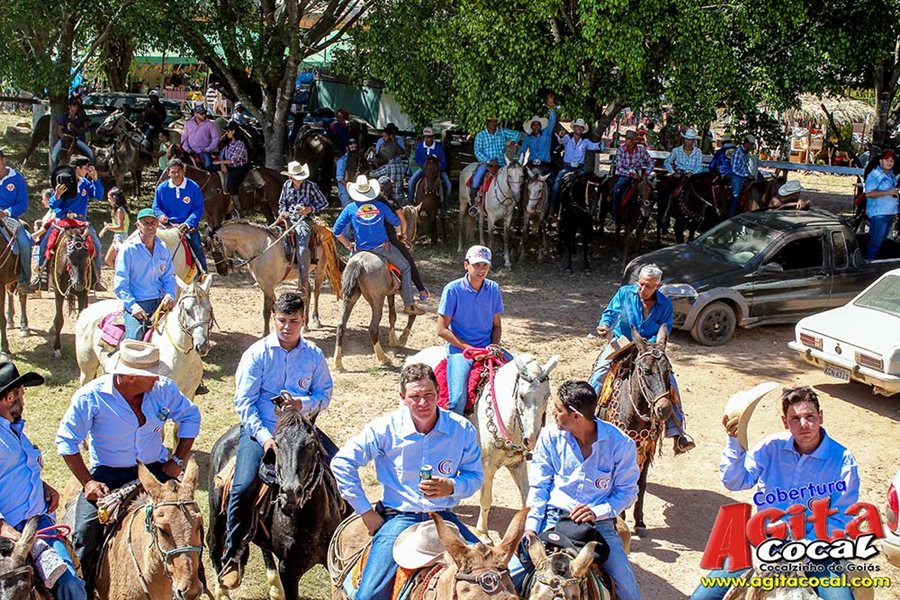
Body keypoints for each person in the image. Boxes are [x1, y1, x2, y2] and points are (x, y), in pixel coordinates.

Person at [56, 340, 200, 597]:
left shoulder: (163, 389)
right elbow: (67, 441)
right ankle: (86, 587)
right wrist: (88, 482)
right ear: (131, 376)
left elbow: (190, 416)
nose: (158, 379)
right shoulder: (92, 397)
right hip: (108, 474)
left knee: (186, 519)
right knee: (83, 532)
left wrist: (178, 460)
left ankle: (194, 578)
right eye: (152, 375)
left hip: (156, 470)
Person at [330, 362, 484, 600]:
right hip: (399, 517)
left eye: (429, 395)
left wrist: (452, 486)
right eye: (415, 396)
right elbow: (342, 462)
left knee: (504, 573)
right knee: (368, 596)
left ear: (439, 393)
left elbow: (475, 477)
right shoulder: (385, 428)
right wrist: (366, 513)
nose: (423, 403)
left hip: (444, 516)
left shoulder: (461, 429)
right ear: (402, 397)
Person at [690, 387, 859, 600]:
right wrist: (734, 441)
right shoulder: (771, 447)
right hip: (764, 542)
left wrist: (805, 548)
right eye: (795, 418)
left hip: (817, 551)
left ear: (821, 417)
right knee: (702, 597)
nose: (804, 425)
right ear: (785, 422)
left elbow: (842, 519)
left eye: (810, 416)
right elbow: (735, 481)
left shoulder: (843, 460)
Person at [218, 291, 334, 589]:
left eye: (293, 321)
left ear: (303, 320)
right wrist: (266, 438)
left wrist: (303, 404)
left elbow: (325, 393)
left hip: (301, 433)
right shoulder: (257, 354)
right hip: (262, 431)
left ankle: (342, 540)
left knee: (341, 471)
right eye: (282, 320)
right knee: (242, 486)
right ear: (274, 318)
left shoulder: (313, 356)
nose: (287, 327)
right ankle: (234, 553)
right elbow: (244, 402)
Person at [512, 380, 641, 600]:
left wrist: (596, 511)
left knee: (630, 593)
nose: (552, 413)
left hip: (599, 526)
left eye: (558, 409)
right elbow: (540, 486)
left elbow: (628, 492)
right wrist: (531, 526)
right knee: (508, 577)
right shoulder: (549, 436)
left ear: (576, 416)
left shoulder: (621, 444)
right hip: (553, 518)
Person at [0, 360, 87, 599]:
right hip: (11, 529)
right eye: (21, 394)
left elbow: (14, 474)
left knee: (70, 584)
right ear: (10, 398)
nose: (23, 400)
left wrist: (43, 487)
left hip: (41, 525)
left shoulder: (14, 432)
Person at [588, 264, 695, 455]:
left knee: (670, 382)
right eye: (641, 284)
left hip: (650, 350)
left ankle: (678, 433)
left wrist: (649, 344)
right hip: (622, 342)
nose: (642, 289)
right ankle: (586, 414)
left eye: (648, 286)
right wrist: (604, 325)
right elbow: (611, 313)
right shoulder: (625, 293)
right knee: (600, 370)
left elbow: (665, 329)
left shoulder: (665, 304)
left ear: (658, 286)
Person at [334, 176, 426, 316]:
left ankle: (346, 292)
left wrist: (347, 245)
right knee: (406, 267)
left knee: (349, 271)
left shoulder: (350, 208)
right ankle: (409, 305)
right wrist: (399, 235)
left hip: (359, 249)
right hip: (382, 248)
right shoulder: (381, 206)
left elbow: (336, 231)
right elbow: (396, 223)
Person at [436, 245, 506, 415]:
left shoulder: (494, 289)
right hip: (461, 351)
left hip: (487, 348)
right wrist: (470, 349)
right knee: (457, 399)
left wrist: (493, 346)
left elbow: (497, 326)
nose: (481, 270)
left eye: (485, 266)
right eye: (477, 265)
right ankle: (453, 434)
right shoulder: (452, 289)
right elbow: (441, 329)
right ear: (466, 265)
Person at [36, 156, 105, 291]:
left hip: (81, 221)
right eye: (85, 168)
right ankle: (41, 278)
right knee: (45, 243)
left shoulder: (85, 183)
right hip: (63, 220)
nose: (87, 170)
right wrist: (57, 195)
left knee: (96, 244)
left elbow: (98, 196)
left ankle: (96, 280)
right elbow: (53, 204)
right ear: (77, 169)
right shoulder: (63, 182)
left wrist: (96, 180)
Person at [113, 208, 176, 341]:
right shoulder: (127, 250)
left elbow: (169, 277)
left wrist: (170, 295)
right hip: (137, 303)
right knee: (134, 340)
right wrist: (133, 307)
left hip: (160, 302)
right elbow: (120, 285)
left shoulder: (163, 248)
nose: (150, 226)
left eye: (153, 222)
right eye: (146, 223)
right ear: (138, 225)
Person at [274, 161, 328, 288]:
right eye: (296, 178)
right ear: (290, 177)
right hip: (287, 218)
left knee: (302, 244)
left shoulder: (311, 186)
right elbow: (282, 203)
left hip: (304, 219)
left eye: (300, 178)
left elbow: (324, 202)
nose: (299, 181)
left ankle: (303, 280)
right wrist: (282, 212)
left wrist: (310, 209)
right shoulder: (286, 185)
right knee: (271, 234)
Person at [152, 158, 207, 272]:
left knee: (196, 246)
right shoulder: (162, 188)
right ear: (168, 173)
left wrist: (187, 223)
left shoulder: (193, 187)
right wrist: (161, 215)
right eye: (173, 172)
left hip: (187, 226)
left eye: (178, 171)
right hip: (167, 225)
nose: (176, 174)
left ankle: (203, 274)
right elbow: (156, 206)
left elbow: (198, 209)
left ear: (183, 171)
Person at [378, 175, 428, 300]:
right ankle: (420, 291)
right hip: (389, 238)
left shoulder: (372, 202)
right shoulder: (392, 202)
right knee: (409, 263)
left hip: (369, 239)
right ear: (391, 188)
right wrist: (402, 235)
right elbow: (402, 222)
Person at [0, 148, 36, 290]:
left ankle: (24, 280)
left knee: (25, 243)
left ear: (3, 160)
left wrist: (6, 212)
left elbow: (23, 203)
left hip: (9, 218)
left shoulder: (16, 178)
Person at [551, 119, 604, 211]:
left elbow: (593, 146)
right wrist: (560, 136)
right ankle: (552, 205)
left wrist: (600, 145)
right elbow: (561, 141)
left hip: (579, 167)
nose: (578, 129)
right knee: (558, 180)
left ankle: (590, 207)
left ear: (583, 129)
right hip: (567, 166)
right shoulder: (568, 137)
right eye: (577, 126)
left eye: (580, 127)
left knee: (589, 182)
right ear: (574, 128)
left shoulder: (585, 141)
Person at [469, 117, 521, 204]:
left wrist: (513, 141)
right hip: (485, 164)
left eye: (495, 121)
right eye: (490, 121)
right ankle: (473, 203)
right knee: (476, 179)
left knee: (515, 178)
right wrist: (489, 161)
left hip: (502, 163)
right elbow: (477, 151)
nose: (493, 123)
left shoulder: (502, 132)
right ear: (487, 123)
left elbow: (517, 134)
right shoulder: (480, 135)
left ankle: (515, 202)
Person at [611, 130, 655, 224]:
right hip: (624, 175)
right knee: (617, 190)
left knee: (650, 192)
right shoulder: (621, 149)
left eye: (630, 139)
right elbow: (619, 167)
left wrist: (645, 175)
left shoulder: (641, 150)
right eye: (627, 139)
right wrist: (630, 174)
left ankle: (646, 216)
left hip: (639, 175)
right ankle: (614, 215)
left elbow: (651, 163)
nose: (627, 141)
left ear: (634, 140)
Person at [660, 127, 705, 218]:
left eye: (691, 140)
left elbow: (700, 167)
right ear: (684, 139)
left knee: (703, 192)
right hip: (679, 174)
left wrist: (692, 173)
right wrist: (673, 172)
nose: (689, 142)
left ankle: (701, 214)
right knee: (668, 190)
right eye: (687, 139)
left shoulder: (698, 152)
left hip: (693, 176)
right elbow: (667, 162)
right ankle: (665, 212)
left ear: (693, 141)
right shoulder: (676, 151)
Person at [862, 149, 898, 260]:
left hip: (890, 213)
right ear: (881, 161)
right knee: (875, 243)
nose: (889, 162)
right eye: (887, 160)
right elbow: (868, 193)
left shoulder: (892, 175)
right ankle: (870, 264)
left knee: (882, 242)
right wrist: (888, 192)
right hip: (879, 214)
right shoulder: (875, 175)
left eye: (891, 160)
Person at [407, 127, 452, 212]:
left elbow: (443, 162)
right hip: (423, 169)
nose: (427, 139)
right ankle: (410, 203)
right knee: (411, 182)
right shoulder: (420, 146)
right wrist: (423, 165)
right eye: (425, 137)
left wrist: (438, 168)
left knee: (448, 184)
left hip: (437, 170)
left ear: (433, 137)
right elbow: (417, 158)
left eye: (429, 137)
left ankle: (445, 207)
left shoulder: (438, 147)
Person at [50, 97, 93, 171]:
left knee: (90, 153)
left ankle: (89, 171)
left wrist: (74, 127)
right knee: (54, 155)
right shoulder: (64, 116)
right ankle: (54, 172)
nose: (76, 108)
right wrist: (63, 137)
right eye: (74, 105)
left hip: (76, 139)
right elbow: (59, 130)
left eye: (77, 106)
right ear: (69, 106)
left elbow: (81, 131)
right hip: (65, 138)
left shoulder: (80, 118)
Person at [519, 94, 558, 172]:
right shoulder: (527, 138)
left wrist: (551, 107)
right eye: (534, 124)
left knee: (552, 182)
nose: (536, 126)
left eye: (538, 124)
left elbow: (552, 120)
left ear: (541, 126)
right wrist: (519, 164)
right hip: (531, 164)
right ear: (531, 126)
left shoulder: (547, 133)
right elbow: (522, 152)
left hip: (544, 164)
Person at [370, 123, 407, 201]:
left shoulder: (397, 142)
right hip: (384, 164)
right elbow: (378, 155)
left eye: (385, 136)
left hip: (388, 166)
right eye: (383, 136)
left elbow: (402, 152)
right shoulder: (380, 143)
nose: (383, 138)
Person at [214, 124, 251, 196]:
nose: (226, 133)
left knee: (231, 185)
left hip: (239, 167)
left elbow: (234, 160)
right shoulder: (228, 144)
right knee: (209, 168)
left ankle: (236, 205)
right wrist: (222, 164)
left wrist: (219, 162)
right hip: (228, 166)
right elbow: (221, 155)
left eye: (228, 131)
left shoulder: (240, 144)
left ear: (233, 132)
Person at [98, 187, 130, 268]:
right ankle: (120, 274)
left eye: (109, 198)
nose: (108, 200)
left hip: (121, 238)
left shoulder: (120, 210)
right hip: (117, 237)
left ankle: (124, 275)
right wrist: (109, 225)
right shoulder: (118, 210)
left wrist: (107, 228)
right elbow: (118, 225)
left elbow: (121, 227)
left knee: (120, 261)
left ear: (114, 198)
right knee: (108, 259)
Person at [180, 106, 220, 170]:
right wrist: (187, 149)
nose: (204, 115)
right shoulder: (188, 124)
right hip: (189, 151)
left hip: (203, 151)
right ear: (195, 114)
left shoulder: (209, 124)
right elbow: (184, 138)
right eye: (201, 114)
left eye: (204, 113)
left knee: (209, 168)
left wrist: (208, 149)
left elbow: (216, 138)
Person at [728, 135, 755, 217]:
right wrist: (746, 175)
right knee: (735, 196)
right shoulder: (738, 152)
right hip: (736, 176)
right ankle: (730, 216)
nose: (751, 146)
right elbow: (734, 169)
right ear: (746, 143)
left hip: (743, 175)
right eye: (751, 144)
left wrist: (749, 174)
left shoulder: (746, 153)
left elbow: (745, 166)